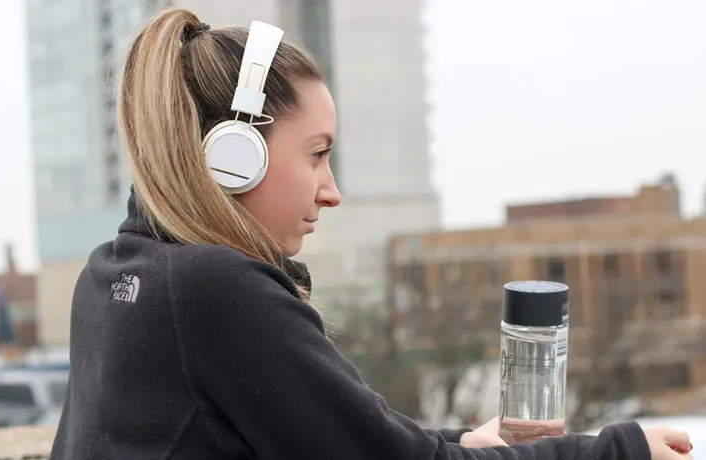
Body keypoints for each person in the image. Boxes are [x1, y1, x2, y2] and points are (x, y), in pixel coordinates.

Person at [49, 7, 693, 460]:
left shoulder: (113, 275)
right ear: (232, 156)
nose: (332, 190)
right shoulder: (211, 290)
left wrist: (465, 442)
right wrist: (621, 448)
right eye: (317, 153)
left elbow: (344, 439)